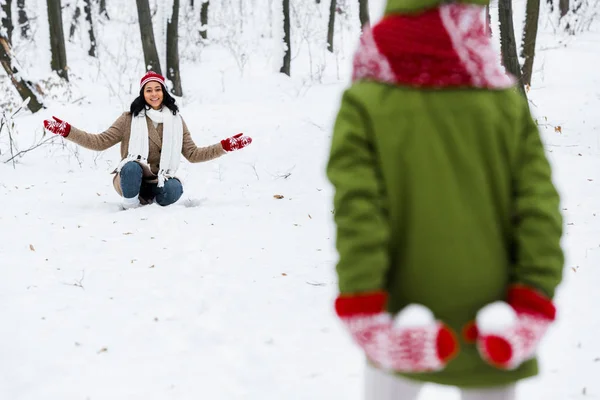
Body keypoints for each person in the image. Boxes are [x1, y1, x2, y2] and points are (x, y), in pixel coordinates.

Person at [326, 1, 564, 399]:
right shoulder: (502, 100)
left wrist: (363, 302)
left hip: (400, 314)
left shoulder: (367, 97)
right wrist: (534, 295)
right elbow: (538, 208)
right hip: (493, 322)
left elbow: (359, 213)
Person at [43, 71, 252, 209]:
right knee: (132, 167)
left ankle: (154, 206)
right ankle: (131, 206)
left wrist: (225, 146)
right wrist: (67, 131)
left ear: (163, 92)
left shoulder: (176, 121)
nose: (154, 94)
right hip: (129, 180)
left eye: (157, 89)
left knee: (175, 189)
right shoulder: (128, 119)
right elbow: (99, 142)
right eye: (149, 90)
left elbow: (193, 154)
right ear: (143, 94)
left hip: (157, 182)